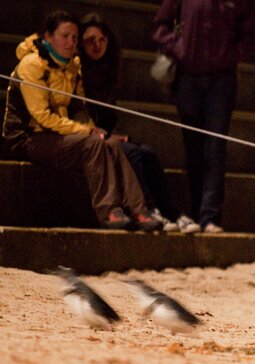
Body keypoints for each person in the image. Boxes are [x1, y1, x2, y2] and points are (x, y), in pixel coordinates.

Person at [2, 11, 161, 231]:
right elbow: (42, 117)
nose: (70, 42)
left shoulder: (72, 66)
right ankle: (109, 211)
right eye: (64, 36)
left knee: (112, 145)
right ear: (48, 37)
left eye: (74, 38)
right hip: (27, 137)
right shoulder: (32, 64)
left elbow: (79, 110)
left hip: (56, 135)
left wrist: (94, 130)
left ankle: (139, 209)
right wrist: (87, 133)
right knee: (94, 144)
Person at [78, 13, 200, 234]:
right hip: (89, 138)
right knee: (132, 152)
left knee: (147, 152)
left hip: (104, 136)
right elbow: (79, 117)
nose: (97, 45)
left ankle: (173, 213)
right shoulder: (78, 72)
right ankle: (147, 210)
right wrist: (105, 136)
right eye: (90, 41)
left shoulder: (107, 72)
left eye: (101, 40)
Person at [152, 0, 255, 233]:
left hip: (221, 80)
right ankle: (198, 211)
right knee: (194, 148)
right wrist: (179, 48)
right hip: (188, 78)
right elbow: (160, 25)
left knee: (216, 148)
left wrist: (229, 55)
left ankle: (209, 217)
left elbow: (250, 35)